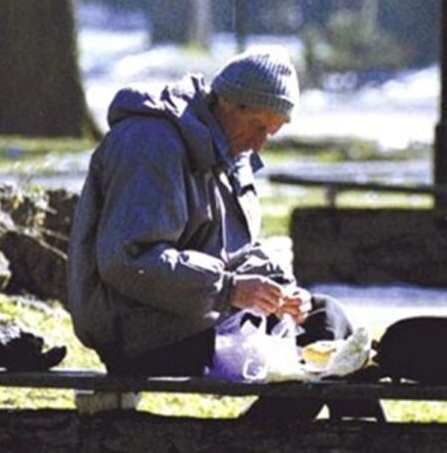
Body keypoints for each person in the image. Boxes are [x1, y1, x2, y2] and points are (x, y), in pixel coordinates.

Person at [66, 46, 379, 421]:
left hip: (196, 314)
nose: (260, 144)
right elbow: (129, 260)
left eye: (272, 133)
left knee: (326, 320)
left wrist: (280, 290)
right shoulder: (151, 144)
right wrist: (230, 289)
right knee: (319, 356)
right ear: (229, 104)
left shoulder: (231, 149)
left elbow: (240, 249)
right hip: (138, 330)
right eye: (259, 127)